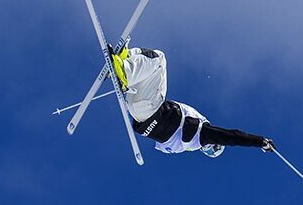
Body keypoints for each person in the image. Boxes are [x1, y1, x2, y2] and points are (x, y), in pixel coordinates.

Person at [110, 46, 275, 158]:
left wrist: (259, 141)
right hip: (138, 111)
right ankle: (125, 63)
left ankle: (125, 68)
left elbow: (232, 136)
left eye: (214, 146)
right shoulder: (178, 148)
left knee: (159, 59)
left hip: (150, 107)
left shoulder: (200, 135)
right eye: (216, 146)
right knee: (148, 74)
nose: (213, 144)